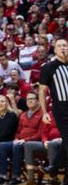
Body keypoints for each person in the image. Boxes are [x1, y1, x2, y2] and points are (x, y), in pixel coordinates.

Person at [38, 39, 68, 185]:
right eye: (60, 46)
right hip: (61, 108)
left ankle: (54, 168)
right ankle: (54, 167)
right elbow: (42, 91)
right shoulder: (49, 67)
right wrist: (44, 112)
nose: (63, 48)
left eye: (65, 45)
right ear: (55, 50)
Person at [0, 92, 43, 185]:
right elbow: (18, 131)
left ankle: (16, 176)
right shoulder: (23, 114)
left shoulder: (42, 114)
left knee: (17, 147)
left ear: (38, 101)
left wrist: (25, 140)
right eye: (28, 99)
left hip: (33, 142)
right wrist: (16, 138)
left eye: (32, 99)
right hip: (20, 140)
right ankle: (2, 176)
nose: (30, 101)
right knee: (2, 146)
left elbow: (40, 134)